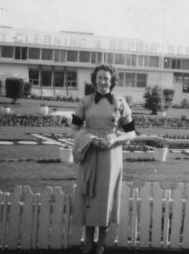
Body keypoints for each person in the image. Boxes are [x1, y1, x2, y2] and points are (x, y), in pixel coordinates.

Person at [69, 63, 136, 254]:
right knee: (88, 194)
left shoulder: (121, 103)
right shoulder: (85, 102)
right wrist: (89, 139)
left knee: (105, 198)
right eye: (99, 77)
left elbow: (131, 133)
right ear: (94, 80)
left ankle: (101, 243)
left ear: (112, 81)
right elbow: (74, 130)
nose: (103, 81)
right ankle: (88, 241)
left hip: (111, 155)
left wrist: (115, 137)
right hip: (89, 152)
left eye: (106, 78)